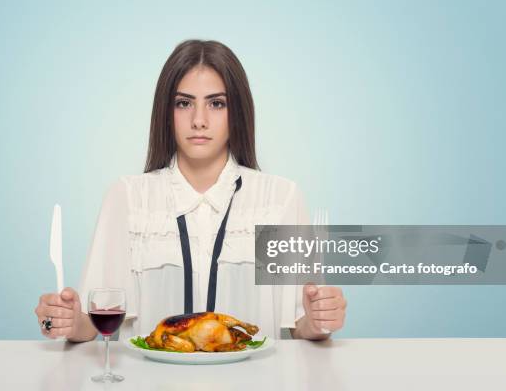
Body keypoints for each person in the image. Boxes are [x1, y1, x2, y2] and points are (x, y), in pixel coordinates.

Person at [34, 39, 347, 343]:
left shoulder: (280, 199)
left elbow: (300, 326)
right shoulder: (127, 198)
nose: (199, 120)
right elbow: (91, 323)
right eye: (184, 103)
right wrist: (63, 322)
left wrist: (321, 321)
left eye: (216, 103)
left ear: (236, 111)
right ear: (166, 113)